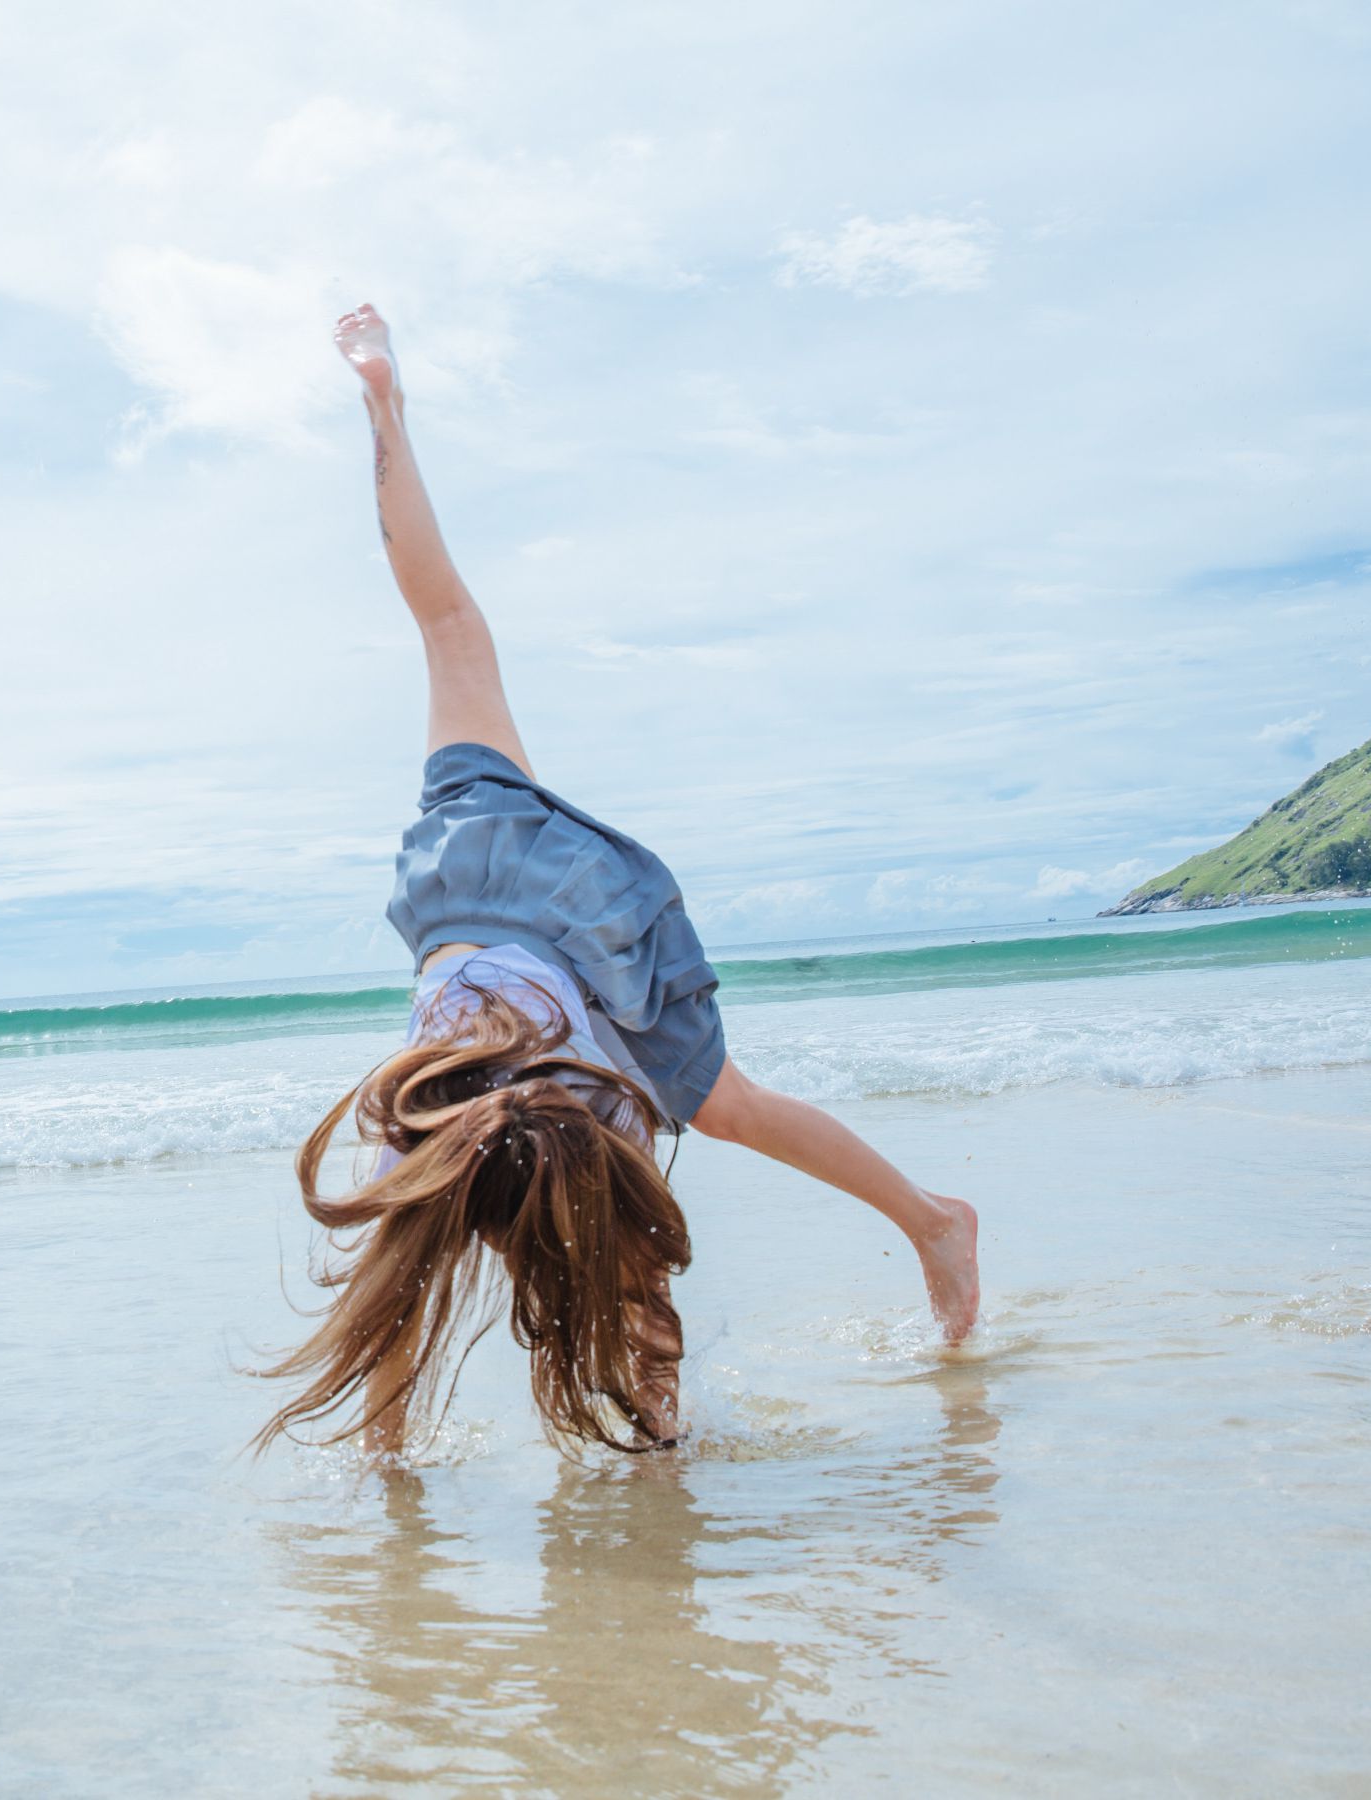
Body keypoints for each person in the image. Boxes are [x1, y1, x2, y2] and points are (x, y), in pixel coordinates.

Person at [256, 304, 980, 1459]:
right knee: (448, 630)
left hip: (547, 907)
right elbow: (449, 1308)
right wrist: (384, 412)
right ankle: (933, 1222)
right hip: (493, 874)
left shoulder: (465, 1134)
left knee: (722, 1113)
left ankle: (939, 1224)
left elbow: (396, 1322)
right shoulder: (434, 1128)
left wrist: (393, 1489)